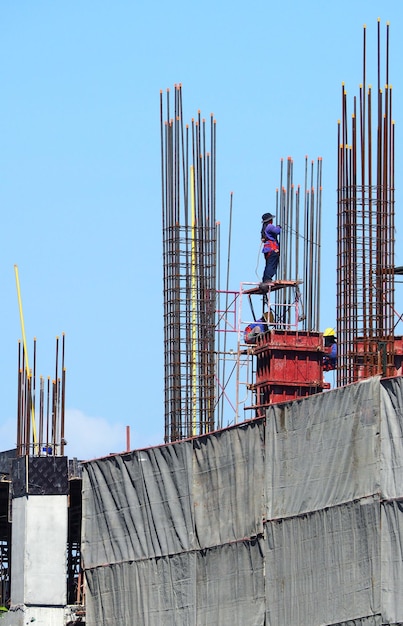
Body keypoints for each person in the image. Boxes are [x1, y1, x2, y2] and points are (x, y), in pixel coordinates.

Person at [261, 212, 281, 284]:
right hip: (272, 249)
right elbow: (277, 231)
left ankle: (266, 278)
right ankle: (267, 278)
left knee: (269, 264)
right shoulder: (269, 226)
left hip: (267, 250)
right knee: (272, 264)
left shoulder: (264, 228)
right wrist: (279, 227)